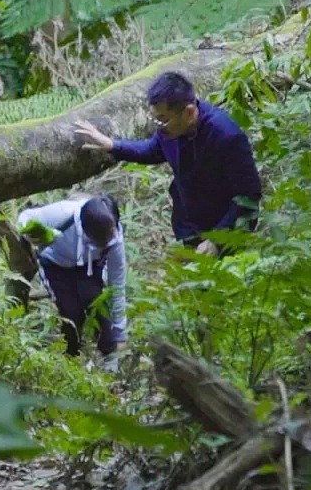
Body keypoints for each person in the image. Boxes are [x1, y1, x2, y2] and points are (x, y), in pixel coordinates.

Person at [74, 70, 261, 256]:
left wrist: (218, 240)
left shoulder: (226, 136)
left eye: (162, 120)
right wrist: (113, 145)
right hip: (190, 227)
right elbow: (153, 150)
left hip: (226, 230)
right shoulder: (171, 131)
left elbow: (249, 196)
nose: (158, 126)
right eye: (154, 118)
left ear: (188, 112)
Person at [17, 194, 127, 360]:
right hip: (55, 265)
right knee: (71, 314)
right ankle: (70, 357)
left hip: (89, 266)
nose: (108, 240)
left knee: (99, 305)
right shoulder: (63, 214)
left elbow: (117, 286)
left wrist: (120, 333)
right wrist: (33, 232)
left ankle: (110, 357)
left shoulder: (115, 240)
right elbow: (25, 218)